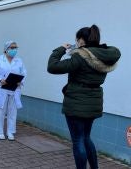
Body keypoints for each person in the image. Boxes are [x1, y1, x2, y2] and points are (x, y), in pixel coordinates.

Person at [47, 25, 121, 169]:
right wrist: (94, 45)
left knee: (78, 140)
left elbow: (52, 66)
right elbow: (106, 49)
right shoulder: (104, 56)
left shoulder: (80, 56)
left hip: (76, 104)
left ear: (81, 40)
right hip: (94, 102)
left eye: (77, 39)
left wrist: (61, 48)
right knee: (86, 137)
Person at [0, 40, 27, 140]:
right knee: (0, 112)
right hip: (2, 89)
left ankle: (10, 132)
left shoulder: (19, 60)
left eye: (15, 48)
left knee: (12, 112)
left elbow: (24, 73)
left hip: (14, 89)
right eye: (12, 48)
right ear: (6, 49)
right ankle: (0, 132)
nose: (14, 49)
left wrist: (21, 81)